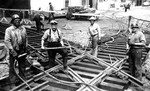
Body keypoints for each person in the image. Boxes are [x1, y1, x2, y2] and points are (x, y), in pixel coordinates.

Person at [4, 14, 28, 88]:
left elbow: (26, 38)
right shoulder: (9, 30)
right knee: (13, 67)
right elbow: (7, 41)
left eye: (18, 20)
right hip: (14, 50)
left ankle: (22, 79)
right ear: (13, 21)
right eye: (16, 20)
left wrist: (26, 47)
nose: (17, 21)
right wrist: (11, 50)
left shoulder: (23, 29)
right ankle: (12, 82)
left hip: (22, 49)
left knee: (22, 66)